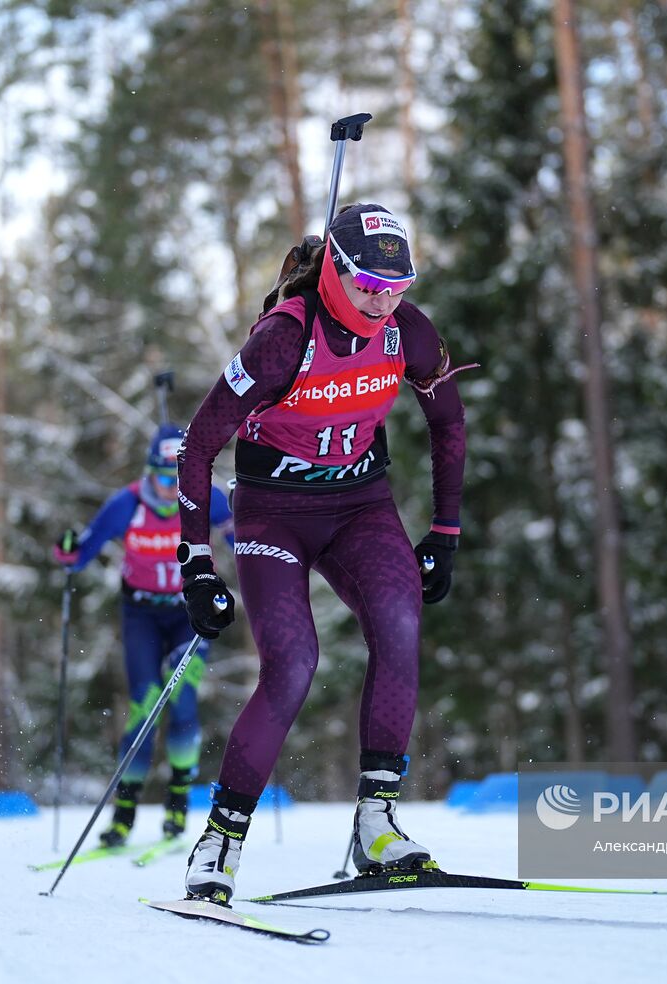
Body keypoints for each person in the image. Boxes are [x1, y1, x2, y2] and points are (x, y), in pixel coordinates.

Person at [174, 203, 473, 903]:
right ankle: (220, 839)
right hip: (273, 511)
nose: (382, 299)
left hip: (360, 506)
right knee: (293, 664)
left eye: (397, 285)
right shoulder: (284, 339)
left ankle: (376, 824)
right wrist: (195, 563)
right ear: (335, 271)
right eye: (367, 282)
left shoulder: (409, 332)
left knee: (400, 627)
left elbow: (449, 426)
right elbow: (198, 443)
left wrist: (446, 532)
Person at [54, 423, 234, 846]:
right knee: (144, 704)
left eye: (180, 476)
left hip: (190, 615)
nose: (173, 487)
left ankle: (176, 809)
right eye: (164, 477)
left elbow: (241, 535)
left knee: (184, 704)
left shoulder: (205, 497)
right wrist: (67, 550)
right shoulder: (127, 504)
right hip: (141, 614)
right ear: (149, 472)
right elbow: (80, 554)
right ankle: (123, 816)